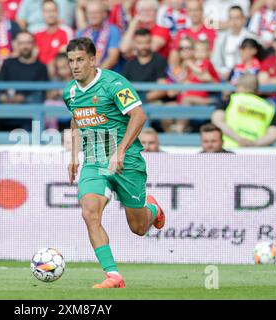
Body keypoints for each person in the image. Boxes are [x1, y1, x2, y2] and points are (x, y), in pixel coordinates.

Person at [64, 37, 165, 289]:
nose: (74, 66)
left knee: (139, 227)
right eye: (70, 61)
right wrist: (74, 154)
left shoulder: (113, 83)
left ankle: (153, 210)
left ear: (92, 60)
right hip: (94, 162)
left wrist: (120, 151)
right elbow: (76, 120)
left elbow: (139, 115)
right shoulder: (71, 93)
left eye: (79, 60)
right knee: (89, 213)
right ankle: (113, 276)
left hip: (126, 161)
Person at [211, 74, 276, 148]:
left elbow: (217, 120)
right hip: (255, 153)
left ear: (242, 87)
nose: (235, 89)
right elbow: (274, 134)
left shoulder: (231, 99)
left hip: (230, 149)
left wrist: (238, 139)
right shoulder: (268, 107)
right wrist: (255, 143)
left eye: (236, 86)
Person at [211, 6, 259, 81]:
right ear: (228, 20)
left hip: (246, 75)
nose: (234, 22)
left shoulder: (252, 37)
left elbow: (256, 60)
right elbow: (215, 60)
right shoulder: (220, 38)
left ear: (243, 19)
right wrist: (221, 72)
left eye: (237, 18)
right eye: (231, 18)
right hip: (223, 77)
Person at [122, 28, 169, 103]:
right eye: (140, 43)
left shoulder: (160, 60)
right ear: (135, 44)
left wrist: (139, 100)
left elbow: (162, 90)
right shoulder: (129, 63)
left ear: (151, 43)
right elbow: (123, 87)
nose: (143, 46)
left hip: (154, 102)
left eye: (146, 43)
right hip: (133, 103)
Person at [75, 0, 121, 70]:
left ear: (104, 14)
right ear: (86, 14)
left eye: (96, 12)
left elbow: (112, 58)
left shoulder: (113, 30)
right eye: (90, 13)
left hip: (108, 77)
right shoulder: (81, 33)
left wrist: (95, 76)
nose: (93, 16)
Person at [169, 0, 216, 67]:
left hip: (203, 70)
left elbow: (212, 56)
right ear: (187, 13)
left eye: (196, 10)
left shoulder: (211, 32)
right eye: (190, 10)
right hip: (184, 71)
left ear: (202, 11)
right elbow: (173, 58)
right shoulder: (181, 33)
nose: (193, 14)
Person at [34, 0, 73, 66]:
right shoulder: (37, 34)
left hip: (60, 72)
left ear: (58, 12)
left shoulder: (66, 31)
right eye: (47, 11)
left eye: (53, 11)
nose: (50, 14)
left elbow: (72, 54)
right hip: (41, 72)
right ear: (42, 13)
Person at [258, 26, 276, 107]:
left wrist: (270, 80)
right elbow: (262, 83)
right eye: (275, 39)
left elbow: (266, 81)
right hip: (270, 102)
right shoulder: (268, 61)